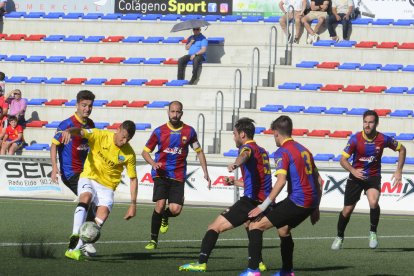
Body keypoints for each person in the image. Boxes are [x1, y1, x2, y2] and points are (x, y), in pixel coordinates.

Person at [179, 118, 272, 273]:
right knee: (251, 226)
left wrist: (236, 163)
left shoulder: (247, 148)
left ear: (242, 134)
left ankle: (201, 262)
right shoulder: (263, 152)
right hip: (263, 201)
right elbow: (258, 182)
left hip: (250, 201)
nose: (234, 137)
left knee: (214, 227)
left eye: (234, 134)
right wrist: (235, 182)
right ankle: (259, 263)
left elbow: (245, 155)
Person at [240, 115, 322, 276]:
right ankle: (287, 271)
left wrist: (262, 206)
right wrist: (316, 208)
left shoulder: (282, 151)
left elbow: (281, 181)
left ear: (277, 133)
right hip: (310, 202)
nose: (274, 139)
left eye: (273, 135)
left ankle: (253, 270)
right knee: (283, 229)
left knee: (255, 225)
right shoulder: (305, 150)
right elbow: (319, 180)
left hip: (298, 201)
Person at [62, 120, 138, 261]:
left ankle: (74, 249)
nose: (124, 140)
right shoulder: (100, 135)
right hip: (89, 177)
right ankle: (74, 234)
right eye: (123, 136)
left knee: (102, 216)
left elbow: (133, 179)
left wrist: (133, 204)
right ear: (118, 129)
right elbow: (80, 131)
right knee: (86, 197)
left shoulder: (129, 154)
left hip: (107, 187)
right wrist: (69, 131)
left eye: (128, 139)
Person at [331, 110, 406, 250]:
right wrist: (353, 171)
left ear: (376, 123)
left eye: (371, 122)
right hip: (356, 177)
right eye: (365, 122)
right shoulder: (355, 139)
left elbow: (402, 149)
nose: (367, 125)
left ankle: (372, 232)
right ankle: (339, 236)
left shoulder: (383, 139)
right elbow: (343, 160)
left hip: (373, 176)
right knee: (347, 210)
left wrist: (399, 171)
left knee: (373, 201)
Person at [142, 101, 210, 250]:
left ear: (182, 113)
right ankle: (153, 240)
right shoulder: (159, 131)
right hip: (161, 173)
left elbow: (199, 151)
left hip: (178, 175)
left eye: (177, 112)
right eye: (172, 112)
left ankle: (165, 216)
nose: (175, 114)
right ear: (168, 112)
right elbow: (145, 152)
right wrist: (154, 164)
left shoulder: (189, 131)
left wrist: (205, 171)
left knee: (175, 210)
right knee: (159, 204)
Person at [50, 90, 96, 255]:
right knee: (87, 198)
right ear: (77, 105)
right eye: (84, 105)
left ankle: (83, 240)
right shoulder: (66, 124)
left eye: (90, 106)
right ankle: (81, 240)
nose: (87, 109)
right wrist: (55, 167)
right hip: (70, 172)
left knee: (95, 204)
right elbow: (54, 145)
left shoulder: (90, 124)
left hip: (87, 172)